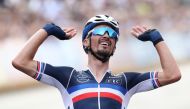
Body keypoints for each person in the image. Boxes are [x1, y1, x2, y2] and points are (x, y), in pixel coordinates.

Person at [12, 15, 181, 109]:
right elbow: (20, 61)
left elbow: (172, 74)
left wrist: (157, 39)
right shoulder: (68, 77)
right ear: (85, 41)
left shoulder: (126, 81)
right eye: (100, 30)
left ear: (114, 45)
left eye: (112, 33)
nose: (107, 35)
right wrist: (46, 30)